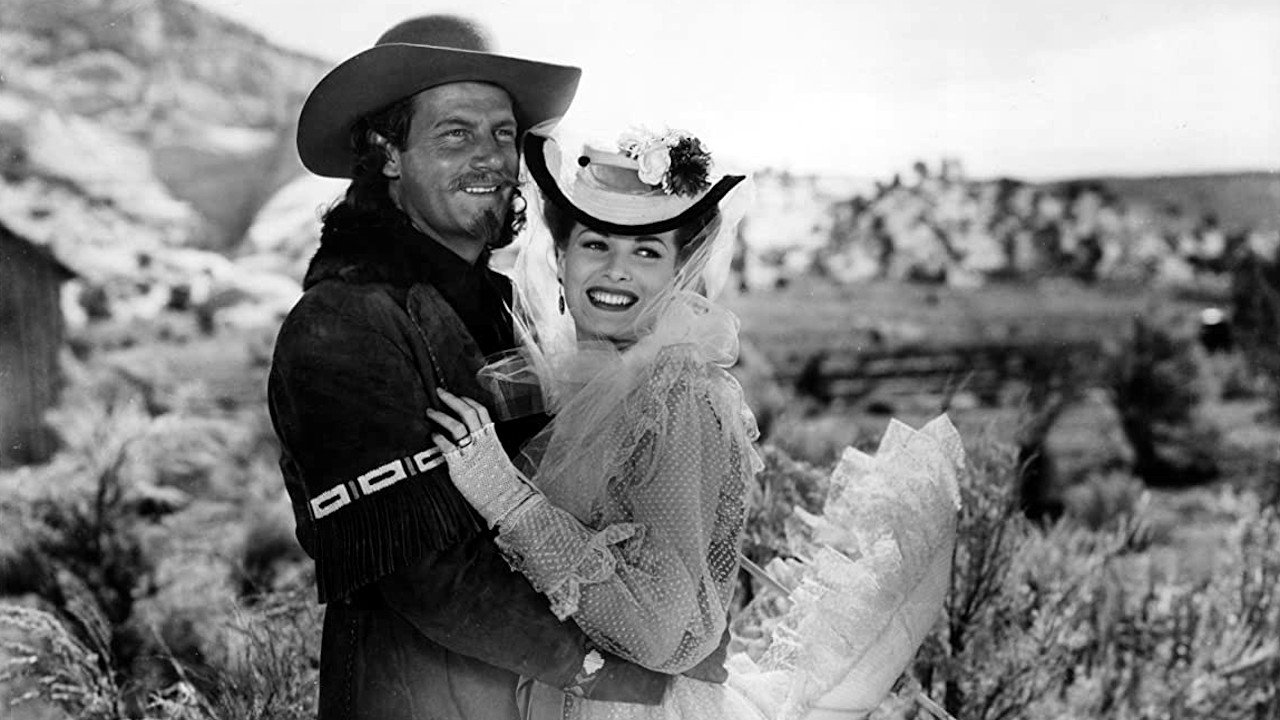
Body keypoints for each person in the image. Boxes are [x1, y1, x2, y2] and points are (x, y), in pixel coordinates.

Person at [269, 16, 725, 720]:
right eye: (455, 134)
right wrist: (623, 674)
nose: (489, 158)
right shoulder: (344, 322)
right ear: (388, 154)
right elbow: (428, 576)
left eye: (503, 134)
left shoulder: (509, 304)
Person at [428, 126, 966, 719]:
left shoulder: (678, 397)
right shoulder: (589, 383)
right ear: (560, 258)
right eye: (595, 244)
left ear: (680, 270)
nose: (616, 271)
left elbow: (659, 628)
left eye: (647, 252)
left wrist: (506, 499)